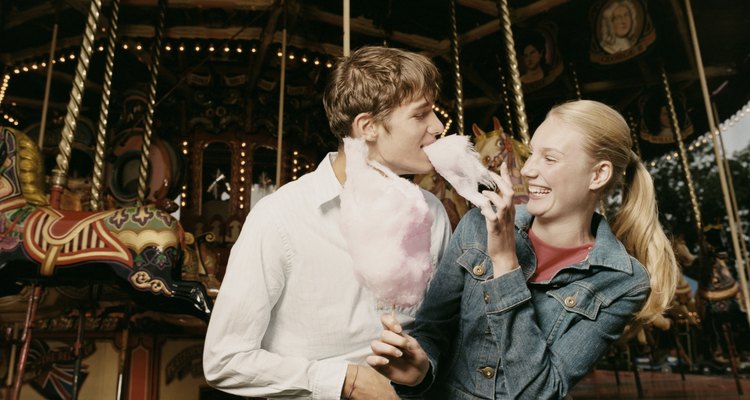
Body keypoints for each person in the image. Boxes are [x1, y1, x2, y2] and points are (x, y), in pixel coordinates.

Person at [367, 100, 680, 399]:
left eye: (550, 158)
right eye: (532, 154)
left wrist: (505, 262)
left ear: (598, 174)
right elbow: (433, 330)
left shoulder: (621, 280)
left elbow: (538, 392)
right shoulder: (478, 223)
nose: (527, 169)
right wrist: (420, 369)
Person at [202, 46, 452, 400]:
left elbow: (441, 331)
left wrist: (423, 370)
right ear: (368, 127)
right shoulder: (280, 218)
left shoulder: (431, 213)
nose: (438, 127)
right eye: (420, 115)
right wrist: (345, 381)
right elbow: (224, 360)